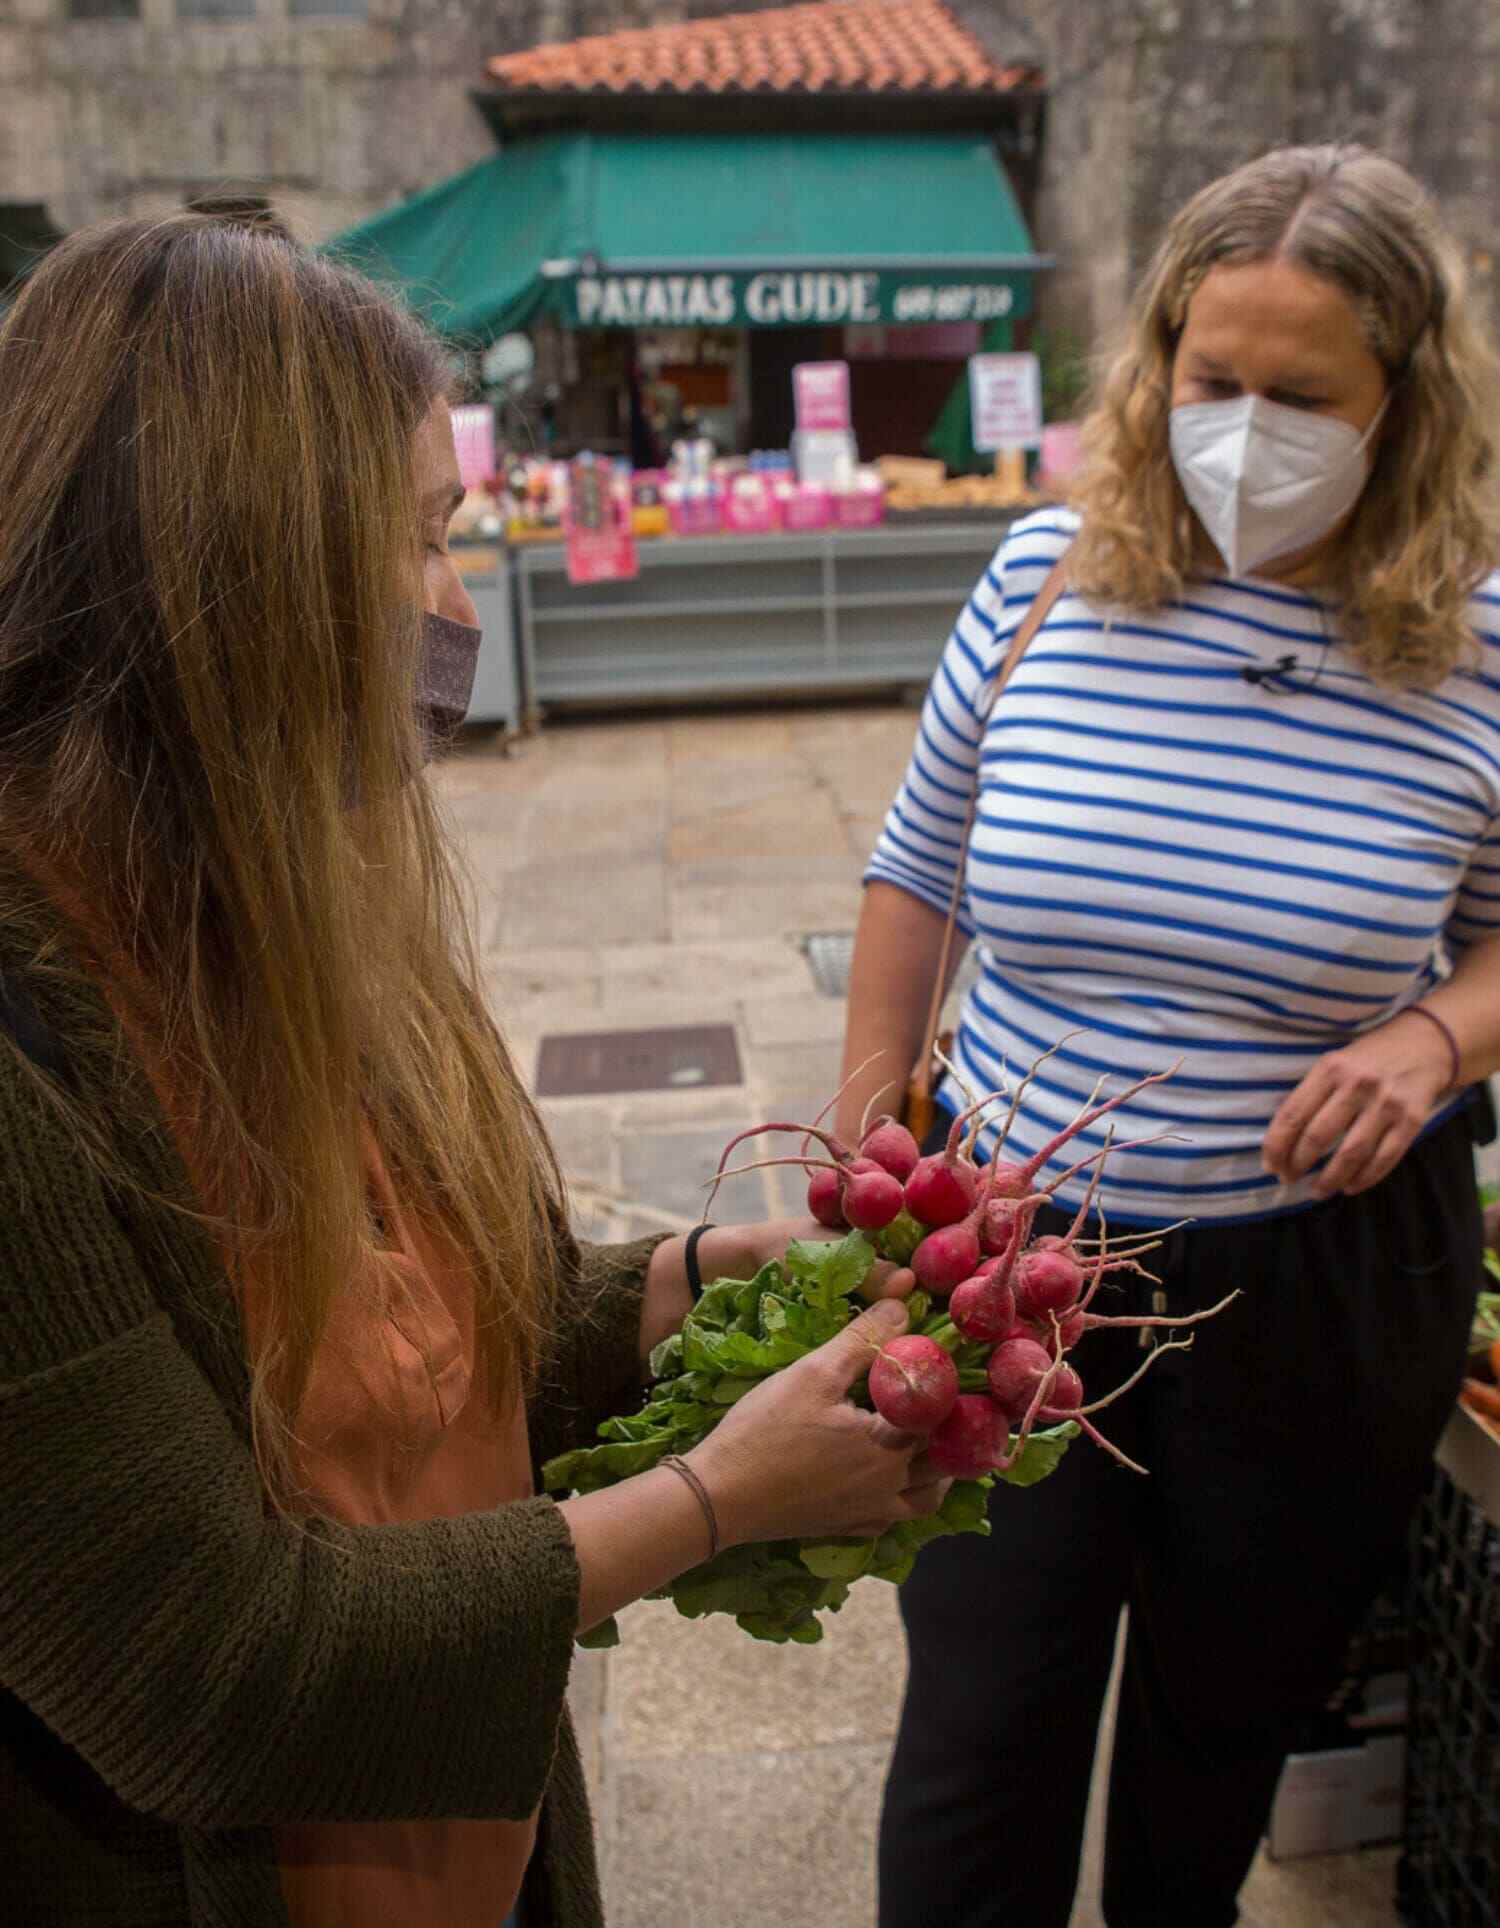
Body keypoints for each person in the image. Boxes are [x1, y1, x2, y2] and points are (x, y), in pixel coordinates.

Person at [0, 211, 941, 1928]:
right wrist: (713, 1499)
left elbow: (439, 1355)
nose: (456, 610)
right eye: (420, 545)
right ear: (235, 570)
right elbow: (198, 1663)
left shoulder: (290, 903)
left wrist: (689, 1284)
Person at [837, 144, 1500, 1927]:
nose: (1248, 428)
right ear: (1159, 365)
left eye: (1306, 396)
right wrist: (865, 1172)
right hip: (1015, 1267)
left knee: (1219, 1739)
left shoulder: (1481, 637)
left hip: (1321, 1294)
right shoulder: (1050, 577)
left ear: (1407, 402)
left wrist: (1439, 1039)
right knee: (979, 1739)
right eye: (1216, 382)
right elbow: (916, 874)